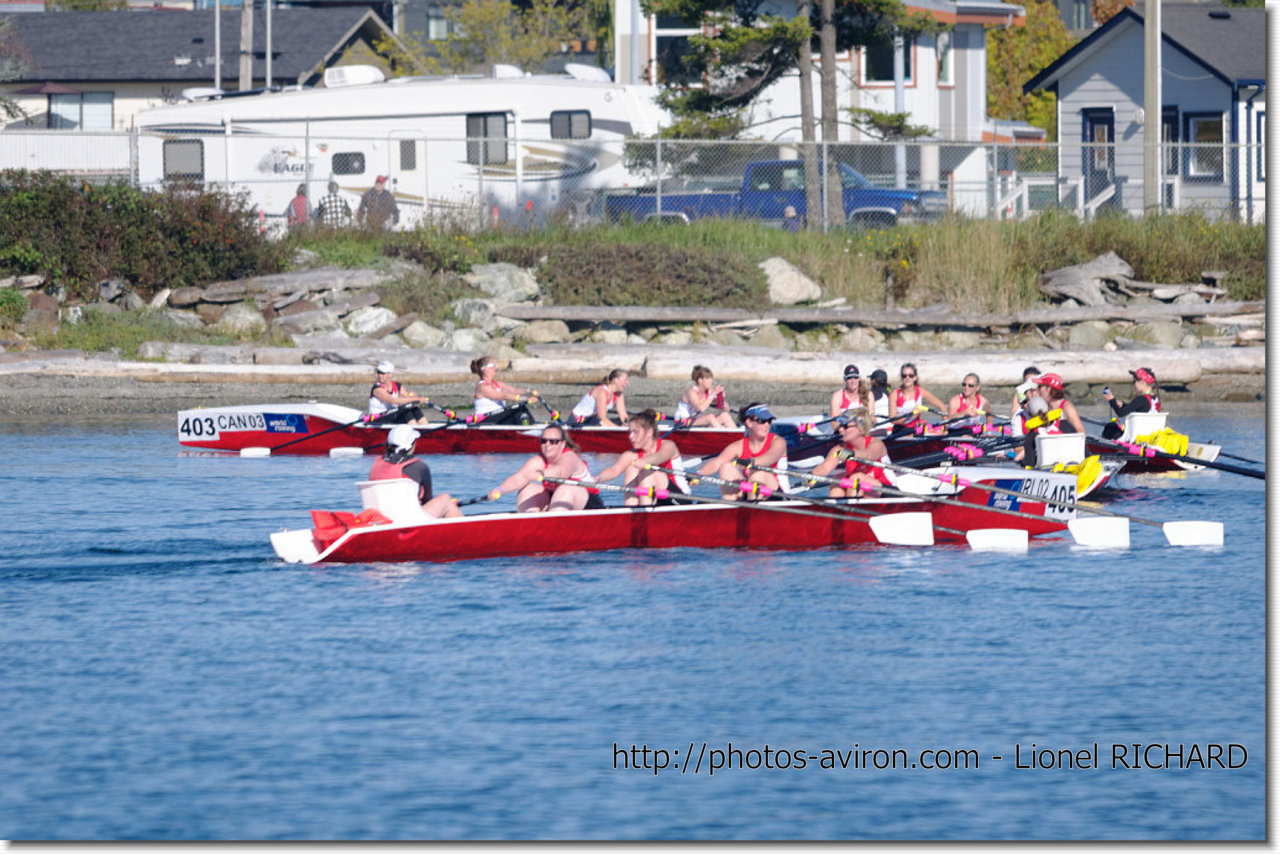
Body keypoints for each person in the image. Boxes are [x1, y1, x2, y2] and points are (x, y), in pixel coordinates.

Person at [486, 425, 604, 512]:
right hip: (557, 501)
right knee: (528, 488)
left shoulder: (570, 457)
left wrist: (542, 473)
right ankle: (530, 522)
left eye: (553, 441)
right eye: (543, 441)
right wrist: (499, 490)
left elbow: (560, 472)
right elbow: (518, 479)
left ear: (562, 444)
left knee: (566, 488)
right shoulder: (539, 460)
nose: (547, 445)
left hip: (588, 504)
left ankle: (552, 525)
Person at [369, 425, 462, 518]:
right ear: (411, 444)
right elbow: (427, 501)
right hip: (409, 519)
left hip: (380, 517)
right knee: (446, 500)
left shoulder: (376, 463)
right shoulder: (419, 466)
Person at [595, 410, 684, 506]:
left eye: (635, 432)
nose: (631, 437)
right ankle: (631, 511)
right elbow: (614, 470)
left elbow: (659, 457)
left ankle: (644, 512)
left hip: (680, 499)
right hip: (656, 500)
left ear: (649, 432)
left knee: (647, 470)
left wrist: (645, 461)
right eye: (629, 432)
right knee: (631, 468)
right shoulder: (630, 455)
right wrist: (595, 479)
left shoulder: (668, 445)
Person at [698, 403, 787, 500]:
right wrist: (697, 475)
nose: (767, 425)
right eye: (762, 421)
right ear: (749, 423)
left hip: (777, 494)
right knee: (726, 467)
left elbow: (769, 458)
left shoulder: (778, 442)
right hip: (753, 492)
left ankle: (750, 508)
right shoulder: (738, 446)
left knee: (758, 473)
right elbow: (717, 462)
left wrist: (750, 462)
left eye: (769, 421)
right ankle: (731, 507)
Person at [809, 408, 892, 498]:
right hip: (862, 491)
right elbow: (825, 467)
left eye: (845, 426)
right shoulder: (840, 449)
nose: (840, 430)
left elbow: (869, 455)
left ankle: (851, 509)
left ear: (860, 428)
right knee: (838, 479)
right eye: (840, 426)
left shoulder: (876, 444)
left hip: (888, 492)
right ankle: (838, 510)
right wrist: (811, 477)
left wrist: (852, 453)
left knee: (856, 478)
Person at [471, 356, 537, 425]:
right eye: (492, 365)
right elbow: (503, 396)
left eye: (495, 365)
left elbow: (515, 390)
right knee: (519, 410)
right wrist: (525, 399)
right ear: (484, 369)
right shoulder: (482, 387)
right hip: (485, 419)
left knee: (521, 409)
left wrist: (530, 391)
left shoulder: (498, 384)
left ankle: (530, 426)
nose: (495, 368)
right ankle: (529, 428)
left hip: (498, 417)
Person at [1101, 366, 1161, 439]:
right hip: (1150, 435)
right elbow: (1140, 409)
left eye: (1134, 381)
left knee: (1111, 426)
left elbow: (1121, 413)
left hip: (1136, 437)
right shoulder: (1155, 397)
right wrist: (1123, 404)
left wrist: (1111, 400)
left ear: (1142, 382)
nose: (1133, 384)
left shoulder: (1141, 399)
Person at [368, 361, 429, 425]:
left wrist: (414, 397)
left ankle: (425, 426)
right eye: (379, 372)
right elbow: (393, 401)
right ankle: (413, 428)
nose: (380, 375)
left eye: (383, 373)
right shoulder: (377, 389)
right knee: (405, 411)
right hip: (378, 418)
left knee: (415, 409)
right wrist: (416, 399)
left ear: (390, 374)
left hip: (391, 416)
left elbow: (407, 398)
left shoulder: (397, 385)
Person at [888, 362, 946, 428]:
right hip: (899, 429)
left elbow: (942, 406)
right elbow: (892, 420)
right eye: (904, 376)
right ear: (902, 378)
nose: (907, 378)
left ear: (915, 377)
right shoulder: (894, 394)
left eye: (910, 375)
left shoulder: (921, 391)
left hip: (915, 429)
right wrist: (910, 415)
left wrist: (946, 429)